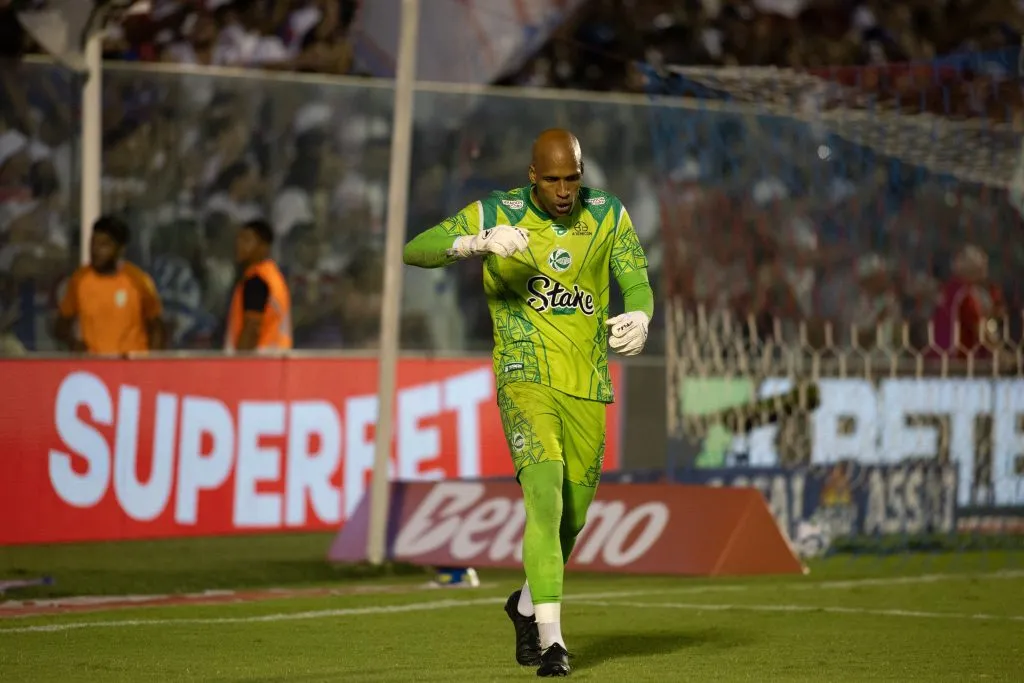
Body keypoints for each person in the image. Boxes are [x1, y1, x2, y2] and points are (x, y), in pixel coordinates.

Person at [403, 129, 654, 677]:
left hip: (586, 383)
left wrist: (641, 314)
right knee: (545, 498)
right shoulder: (499, 212)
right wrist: (475, 243)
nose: (564, 191)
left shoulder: (608, 214)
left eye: (573, 179)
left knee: (573, 519)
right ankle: (553, 642)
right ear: (532, 175)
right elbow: (414, 249)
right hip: (524, 378)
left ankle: (523, 604)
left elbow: (636, 282)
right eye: (553, 180)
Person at [56, 215, 165, 355]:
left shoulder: (137, 280)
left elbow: (157, 326)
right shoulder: (80, 280)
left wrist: (150, 361)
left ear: (120, 249)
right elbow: (61, 325)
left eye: (104, 245)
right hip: (95, 363)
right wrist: (74, 343)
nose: (96, 250)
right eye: (93, 243)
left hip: (131, 362)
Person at [224, 218, 293, 352]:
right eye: (239, 239)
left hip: (258, 360)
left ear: (263, 247)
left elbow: (252, 328)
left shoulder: (257, 280)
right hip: (276, 358)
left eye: (246, 240)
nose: (239, 245)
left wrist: (238, 362)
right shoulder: (273, 276)